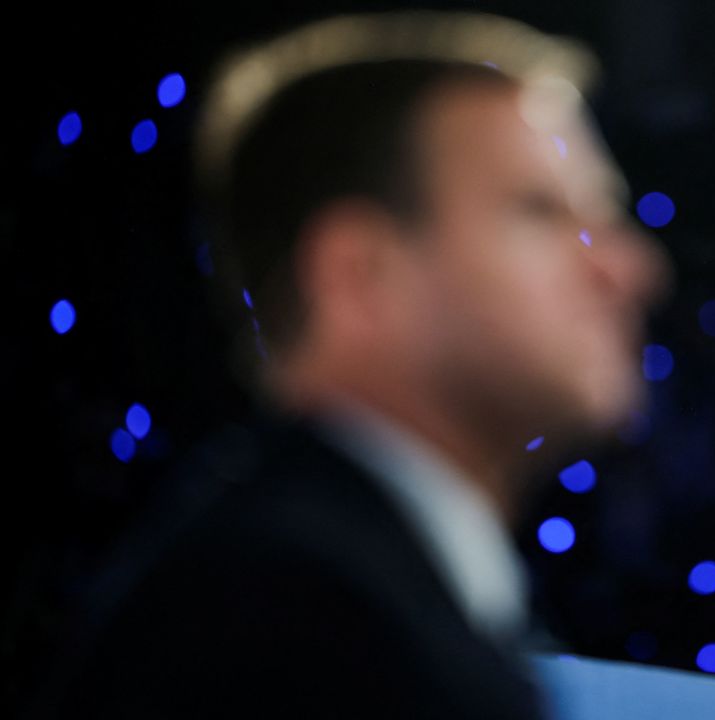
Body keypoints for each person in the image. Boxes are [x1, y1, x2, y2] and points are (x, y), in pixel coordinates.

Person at [37, 11, 665, 718]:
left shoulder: (342, 588)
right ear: (356, 276)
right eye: (541, 213)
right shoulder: (295, 623)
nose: (630, 270)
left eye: (605, 217)